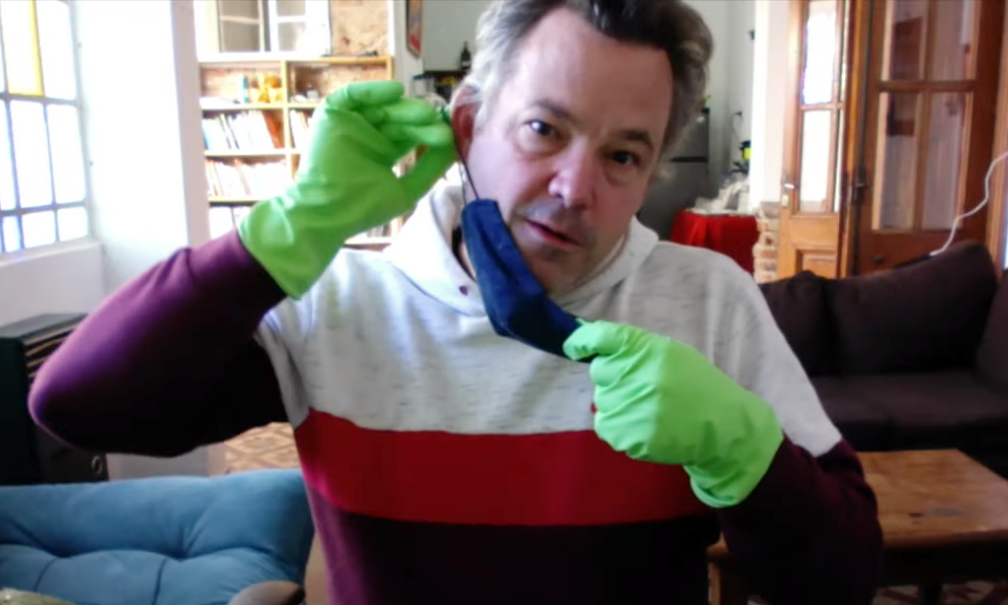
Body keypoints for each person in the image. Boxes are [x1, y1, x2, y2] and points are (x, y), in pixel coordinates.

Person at [29, 1, 883, 603]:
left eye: (623, 155)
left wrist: (741, 449)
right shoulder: (337, 302)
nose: (575, 187)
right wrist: (290, 225)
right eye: (544, 129)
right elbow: (78, 405)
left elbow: (841, 579)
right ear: (468, 126)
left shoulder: (709, 301)